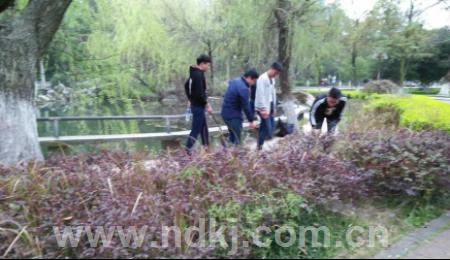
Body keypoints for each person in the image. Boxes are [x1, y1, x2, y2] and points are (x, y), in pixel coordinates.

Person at [221, 69, 259, 145]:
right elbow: (246, 107)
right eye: (254, 81)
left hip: (225, 114)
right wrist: (251, 121)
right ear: (249, 78)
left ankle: (229, 153)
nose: (253, 84)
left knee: (232, 135)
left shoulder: (235, 81)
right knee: (237, 140)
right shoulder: (243, 89)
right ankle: (235, 154)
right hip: (233, 116)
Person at [185, 54, 213, 154]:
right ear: (202, 64)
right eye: (207, 65)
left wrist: (190, 98)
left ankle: (206, 149)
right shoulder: (198, 75)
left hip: (197, 105)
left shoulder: (195, 73)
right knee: (196, 130)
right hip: (198, 107)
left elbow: (186, 85)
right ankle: (187, 151)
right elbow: (199, 94)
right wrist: (207, 105)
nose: (208, 67)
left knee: (204, 128)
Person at [254, 62, 283, 150]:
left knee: (269, 127)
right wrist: (263, 110)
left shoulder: (272, 80)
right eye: (276, 72)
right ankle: (260, 146)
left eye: (278, 74)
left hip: (270, 105)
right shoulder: (262, 79)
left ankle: (259, 146)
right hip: (262, 107)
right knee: (267, 127)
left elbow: (273, 94)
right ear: (271, 68)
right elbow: (260, 95)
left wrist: (274, 108)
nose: (276, 75)